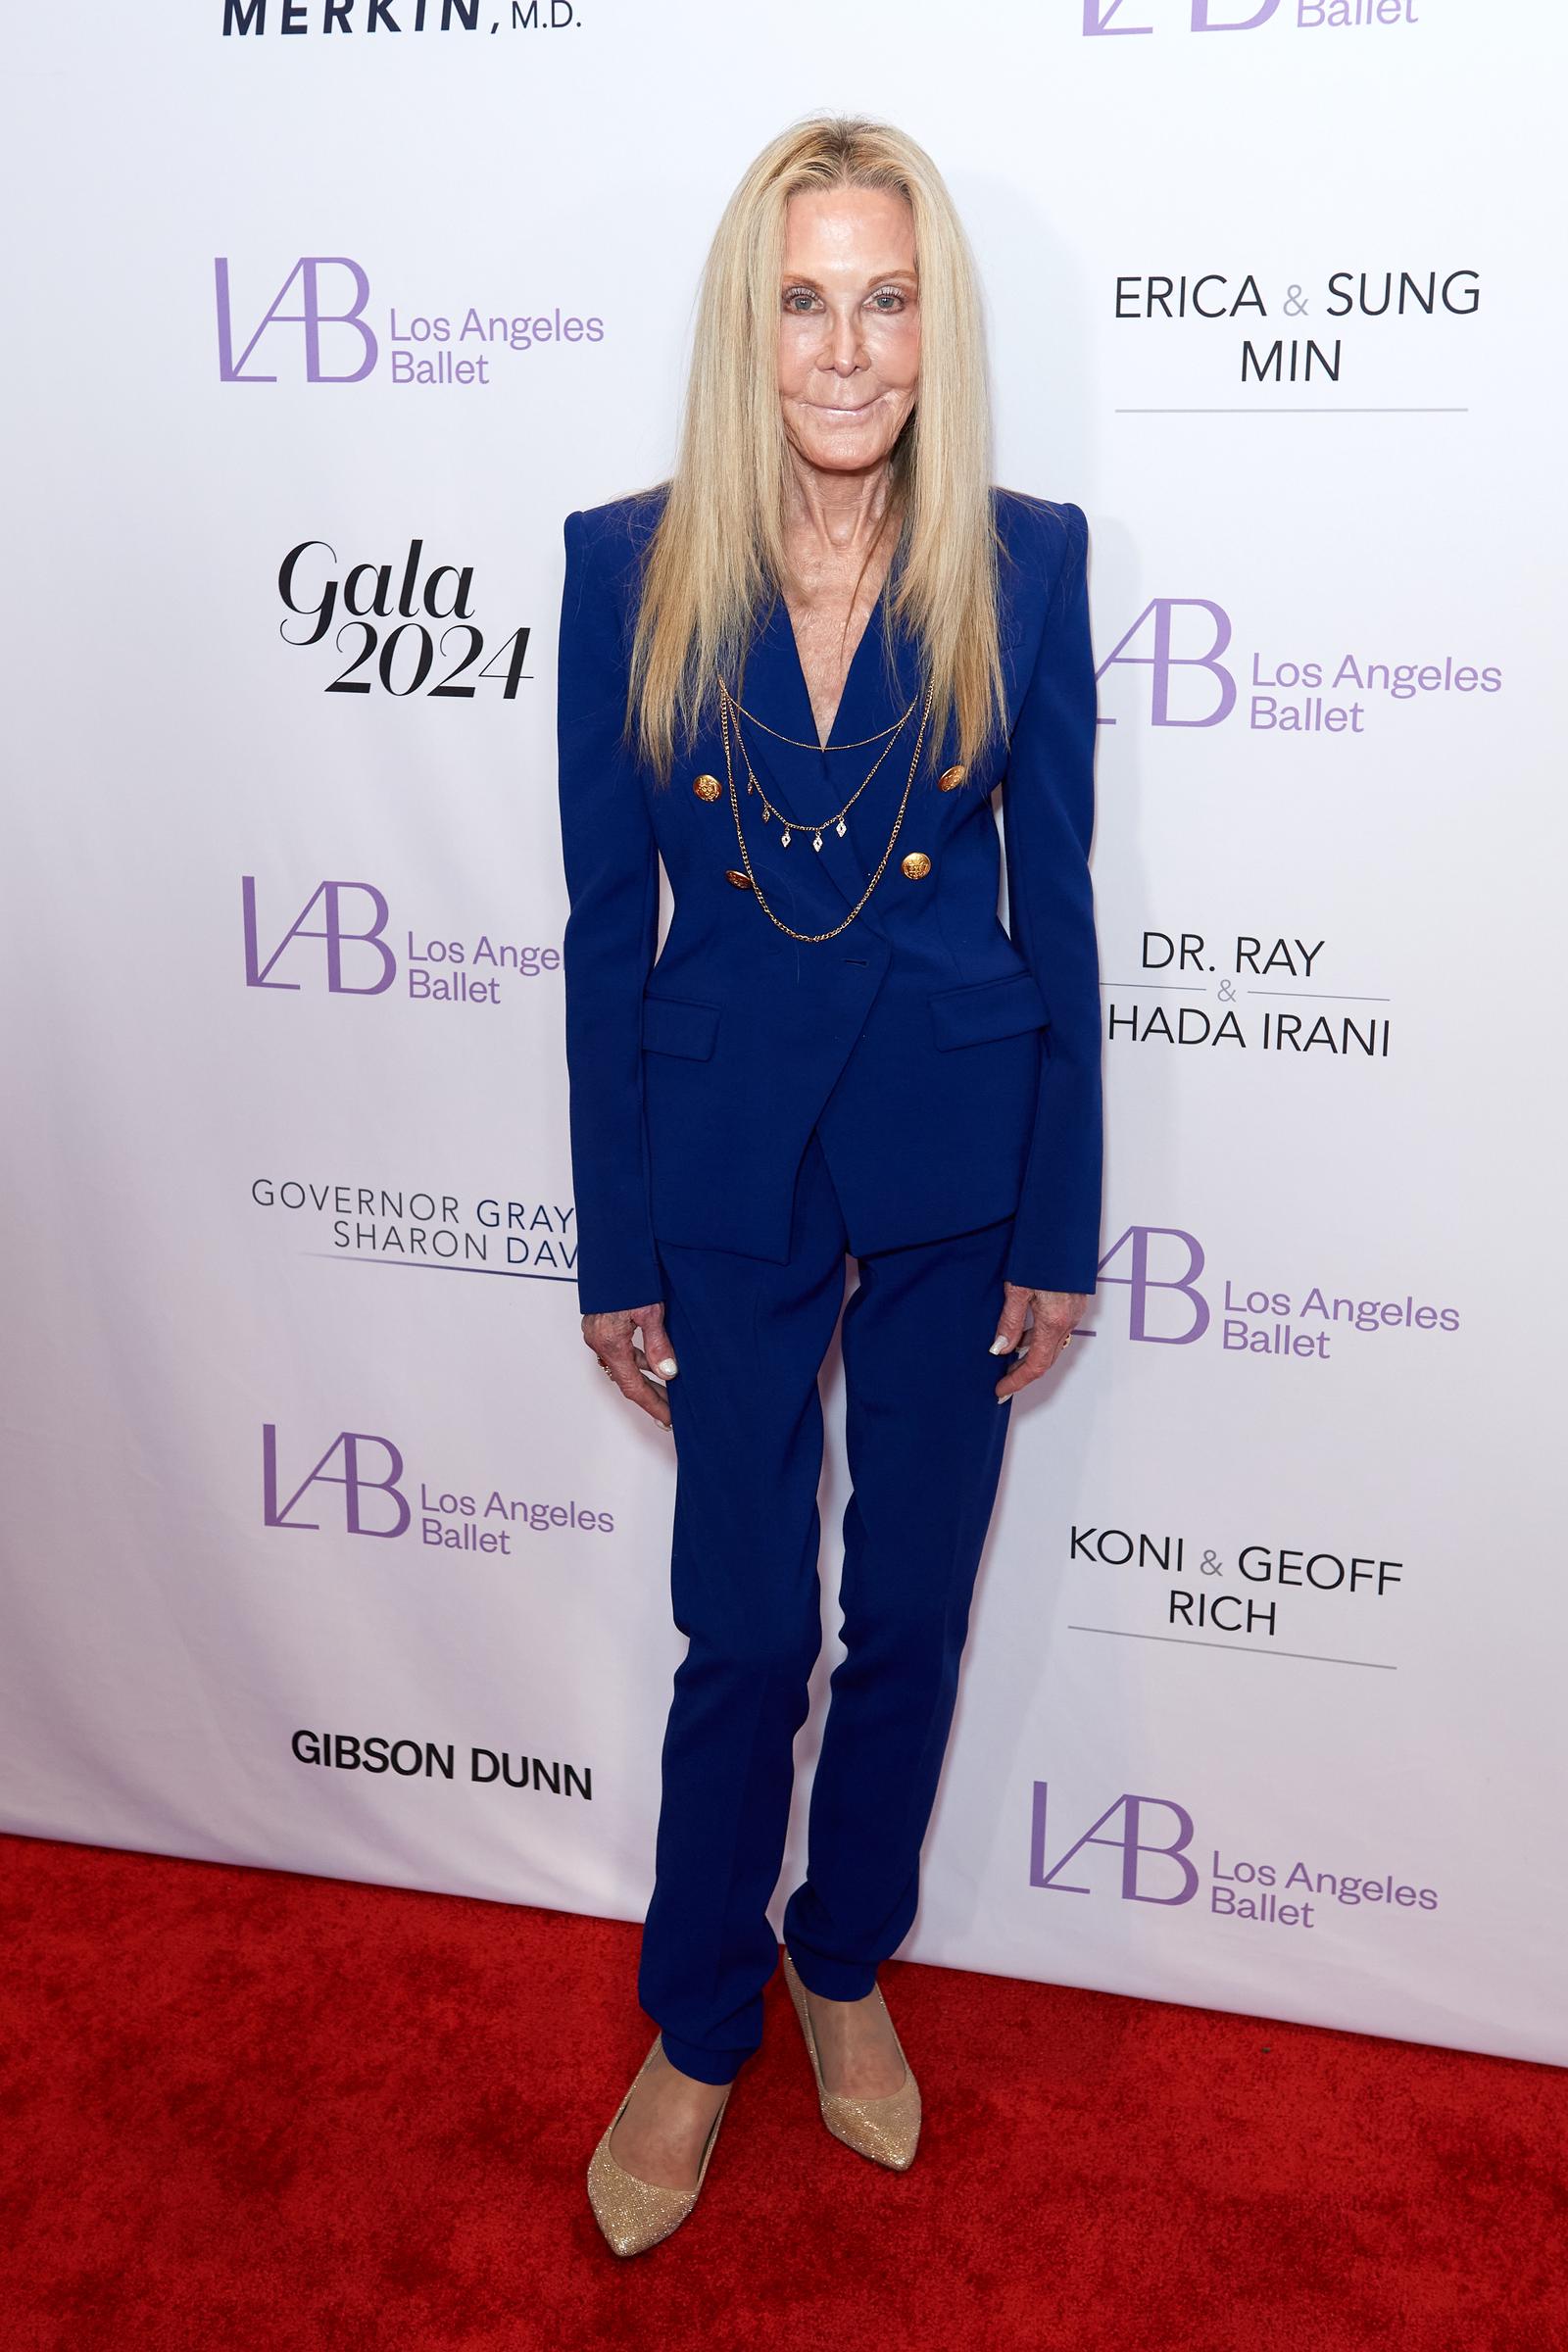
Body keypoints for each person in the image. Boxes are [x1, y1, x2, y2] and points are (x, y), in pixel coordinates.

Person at [555, 114, 1102, 2258]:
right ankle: (696, 2026)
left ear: (929, 322)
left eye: (884, 300)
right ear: (745, 323)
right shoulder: (627, 561)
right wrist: (612, 1235)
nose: (847, 349)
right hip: (723, 1168)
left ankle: (840, 1957)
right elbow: (609, 928)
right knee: (745, 1624)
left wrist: (1059, 1221)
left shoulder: (1026, 555)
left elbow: (1049, 906)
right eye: (803, 300)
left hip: (958, 1158)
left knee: (908, 1615)